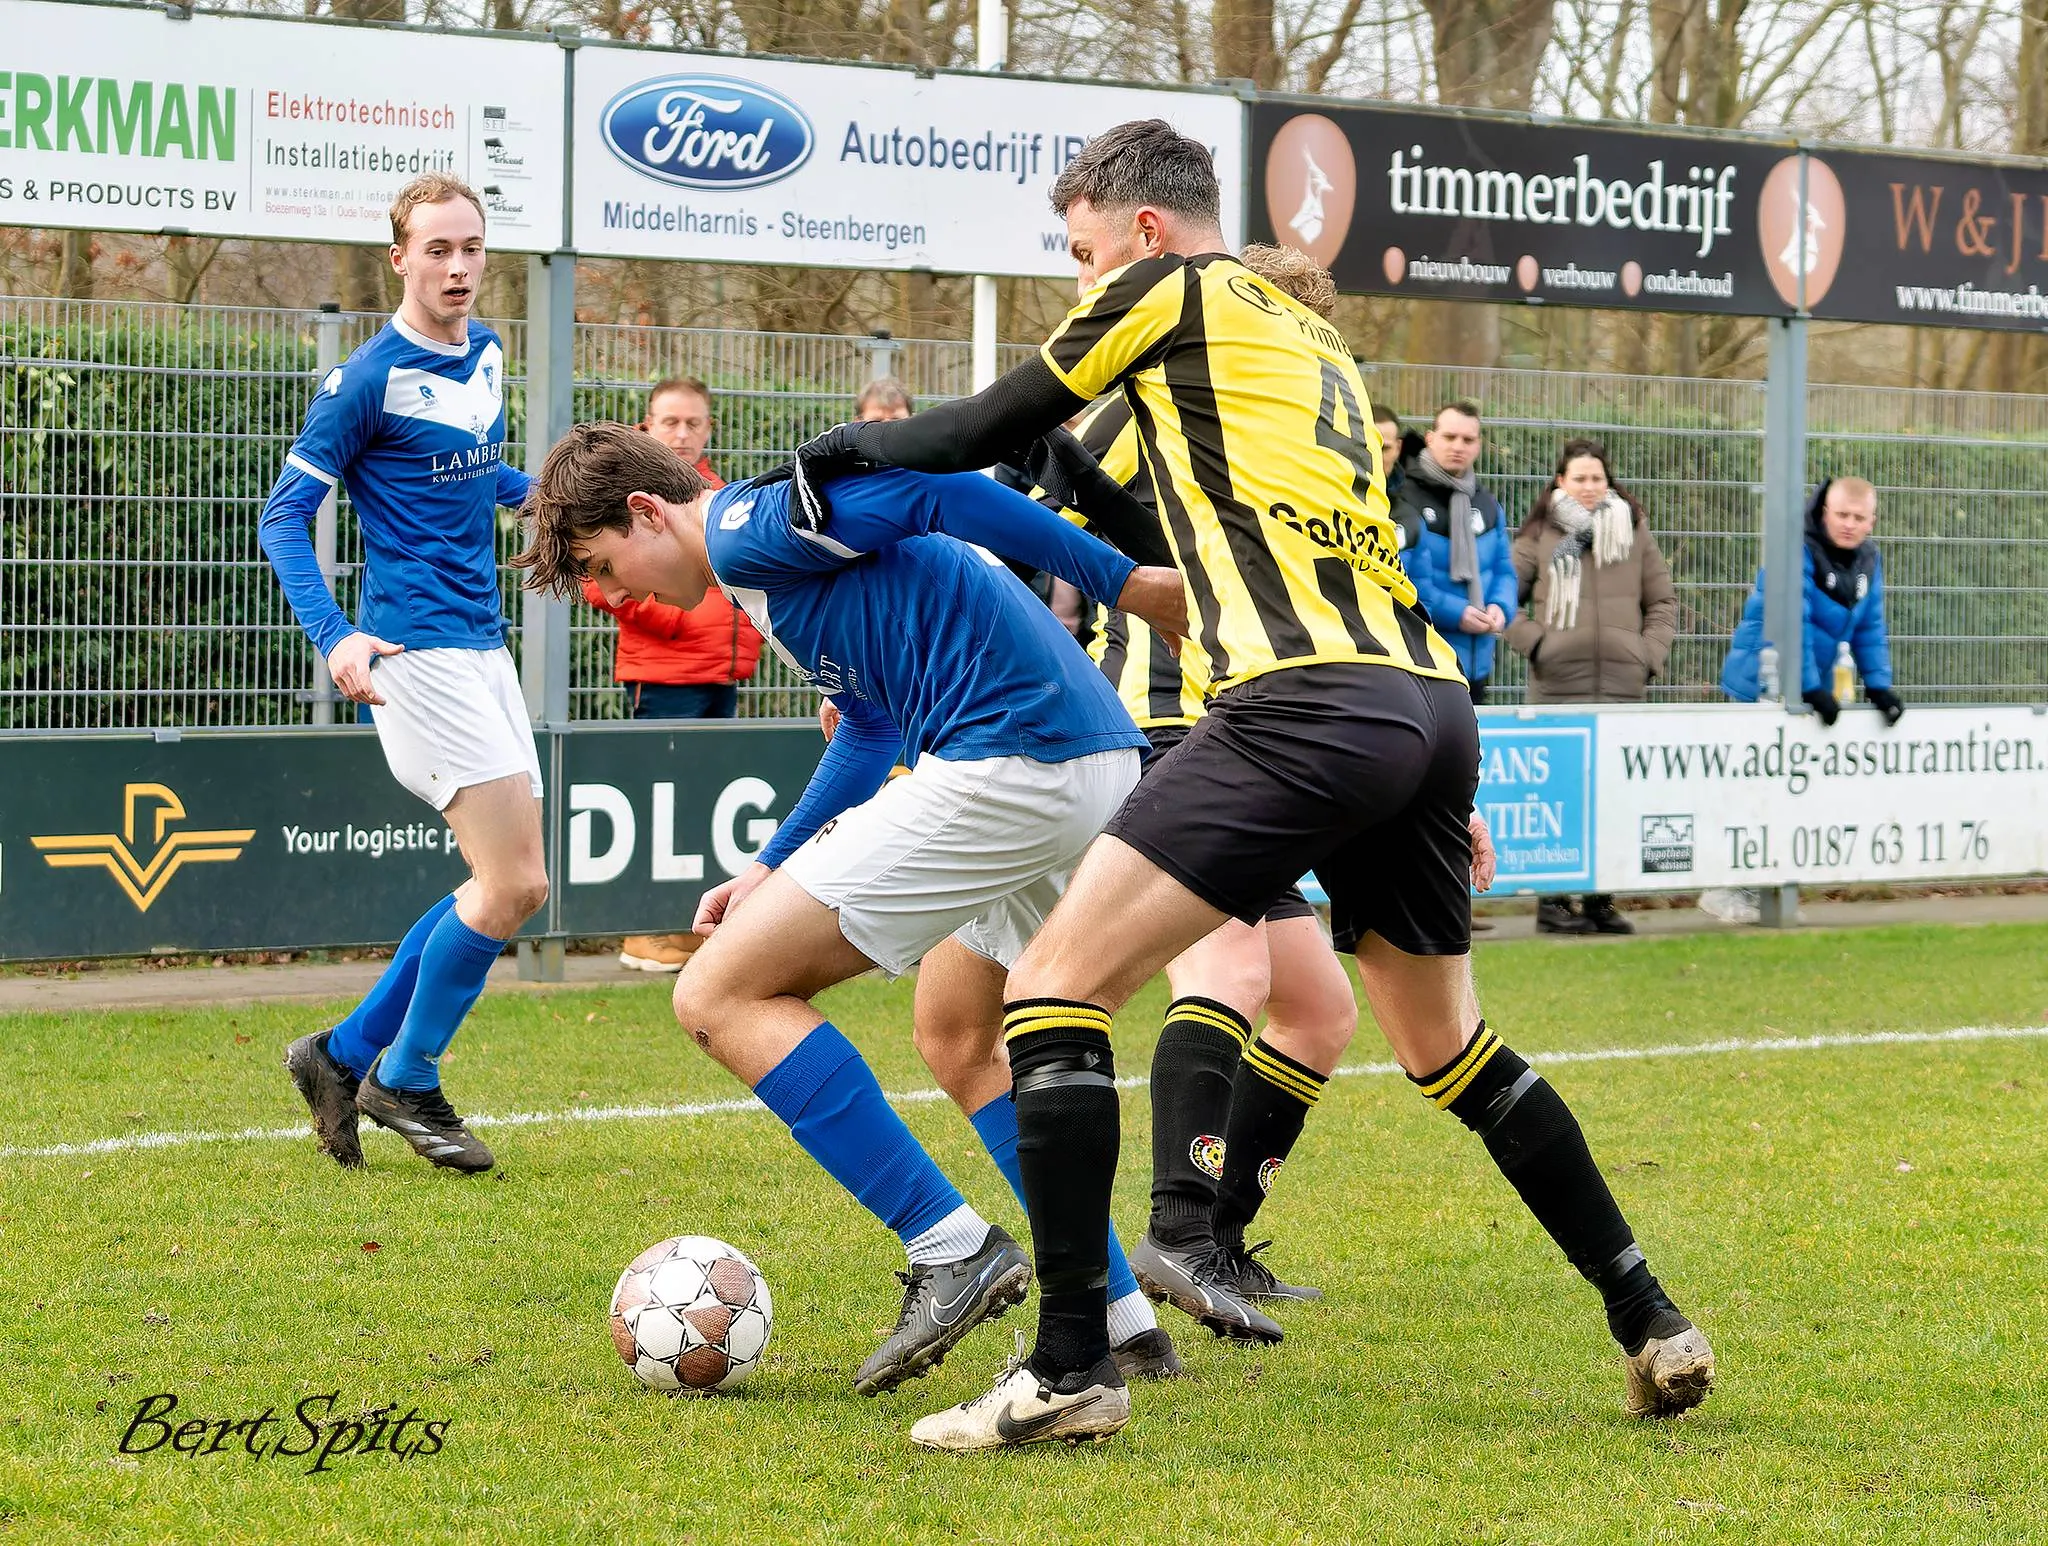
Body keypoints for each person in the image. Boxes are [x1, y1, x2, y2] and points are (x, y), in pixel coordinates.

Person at [796, 120, 1714, 1450]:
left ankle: (1068, 1366)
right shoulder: (1310, 344)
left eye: (1083, 249)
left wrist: (830, 458)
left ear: (1146, 231)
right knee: (1444, 1047)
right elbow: (1176, 524)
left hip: (1297, 705)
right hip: (1421, 702)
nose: (1081, 280)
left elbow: (990, 421)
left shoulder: (1166, 292)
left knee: (1051, 990)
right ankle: (1649, 1315)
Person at [514, 421, 1191, 1401]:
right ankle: (1121, 1316)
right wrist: (769, 866)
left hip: (1012, 758)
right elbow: (870, 727)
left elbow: (936, 491)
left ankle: (950, 1248)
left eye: (603, 565)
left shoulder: (746, 528)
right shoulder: (764, 570)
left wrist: (1125, 583)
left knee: (718, 994)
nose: (613, 594)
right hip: (1080, 759)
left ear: (646, 512)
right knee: (959, 1033)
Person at [1036, 241, 1363, 1348]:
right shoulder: (1145, 399)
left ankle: (1209, 1239)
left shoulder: (1273, 416)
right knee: (1227, 963)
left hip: (1260, 711)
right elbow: (1045, 508)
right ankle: (1174, 1230)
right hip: (1174, 715)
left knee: (1317, 1008)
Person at [267, 174, 542, 1175]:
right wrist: (333, 632)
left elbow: (481, 478)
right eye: (438, 249)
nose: (459, 267)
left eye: (472, 247)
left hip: (482, 644)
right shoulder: (363, 381)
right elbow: (283, 517)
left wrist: (554, 501)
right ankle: (405, 1076)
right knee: (516, 880)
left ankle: (338, 1057)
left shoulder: (487, 354)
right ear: (400, 258)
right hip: (410, 651)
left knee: (496, 882)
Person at [577, 378, 765, 975]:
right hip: (663, 676)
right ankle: (646, 932)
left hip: (723, 674)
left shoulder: (715, 492)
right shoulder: (618, 496)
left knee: (706, 800)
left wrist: (750, 634)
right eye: (671, 422)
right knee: (662, 800)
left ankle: (687, 929)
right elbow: (596, 582)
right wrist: (676, 611)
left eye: (694, 423)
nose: (682, 433)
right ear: (647, 426)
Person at [1704, 477, 1904, 924]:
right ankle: (1725, 889)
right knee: (1751, 789)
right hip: (1760, 679)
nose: (1850, 525)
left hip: (1801, 687)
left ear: (1872, 520)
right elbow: (1790, 623)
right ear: (1824, 513)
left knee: (1788, 792)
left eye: (1859, 518)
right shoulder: (1795, 551)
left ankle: (1769, 894)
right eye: (1842, 516)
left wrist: (1879, 685)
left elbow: (1870, 627)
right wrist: (1811, 688)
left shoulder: (1870, 561)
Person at [1507, 438, 1678, 937]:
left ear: (1608, 482)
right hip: (1557, 685)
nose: (1588, 487)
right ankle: (1553, 904)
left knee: (1612, 795)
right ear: (1561, 481)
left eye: (1596, 478)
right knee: (1559, 793)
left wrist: (1648, 655)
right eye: (1578, 478)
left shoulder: (1634, 531)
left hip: (1623, 687)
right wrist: (1538, 645)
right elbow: (1501, 598)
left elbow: (1663, 601)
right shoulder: (1537, 534)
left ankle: (1601, 901)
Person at [1391, 401, 1518, 705]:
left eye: (1468, 439)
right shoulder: (1403, 501)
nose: (1458, 446)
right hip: (1425, 660)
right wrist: (1456, 613)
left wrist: (1501, 606)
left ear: (1479, 445)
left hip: (1478, 662)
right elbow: (1400, 578)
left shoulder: (1487, 503)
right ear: (1430, 438)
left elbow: (1504, 569)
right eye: (1449, 437)